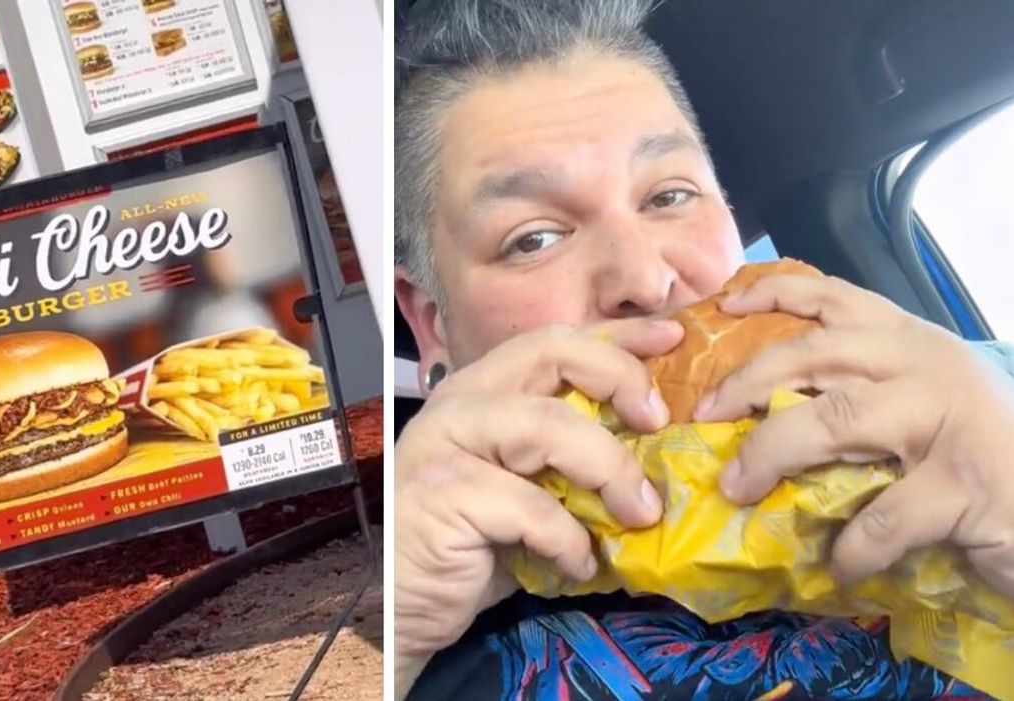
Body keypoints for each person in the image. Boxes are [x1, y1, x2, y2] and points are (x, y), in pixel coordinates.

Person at [392, 1, 1014, 699]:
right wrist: (396, 628)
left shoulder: (980, 408)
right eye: (532, 238)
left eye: (668, 195)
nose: (644, 279)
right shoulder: (390, 589)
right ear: (431, 326)